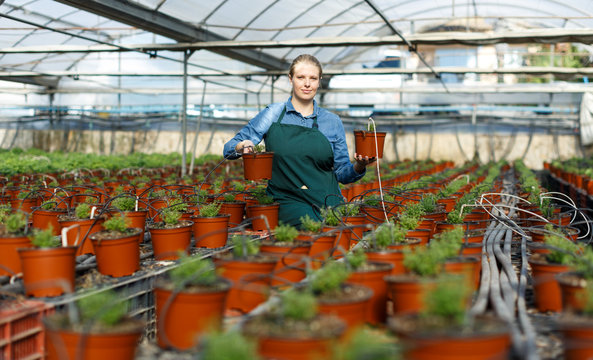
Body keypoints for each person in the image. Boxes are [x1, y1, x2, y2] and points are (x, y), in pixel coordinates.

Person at [223, 54, 375, 227]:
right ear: (291, 79)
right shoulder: (273, 114)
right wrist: (242, 146)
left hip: (329, 202)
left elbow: (341, 173)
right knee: (309, 230)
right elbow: (228, 149)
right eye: (301, 77)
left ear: (319, 81)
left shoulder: (332, 121)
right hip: (288, 200)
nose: (307, 84)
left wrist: (359, 165)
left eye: (313, 78)